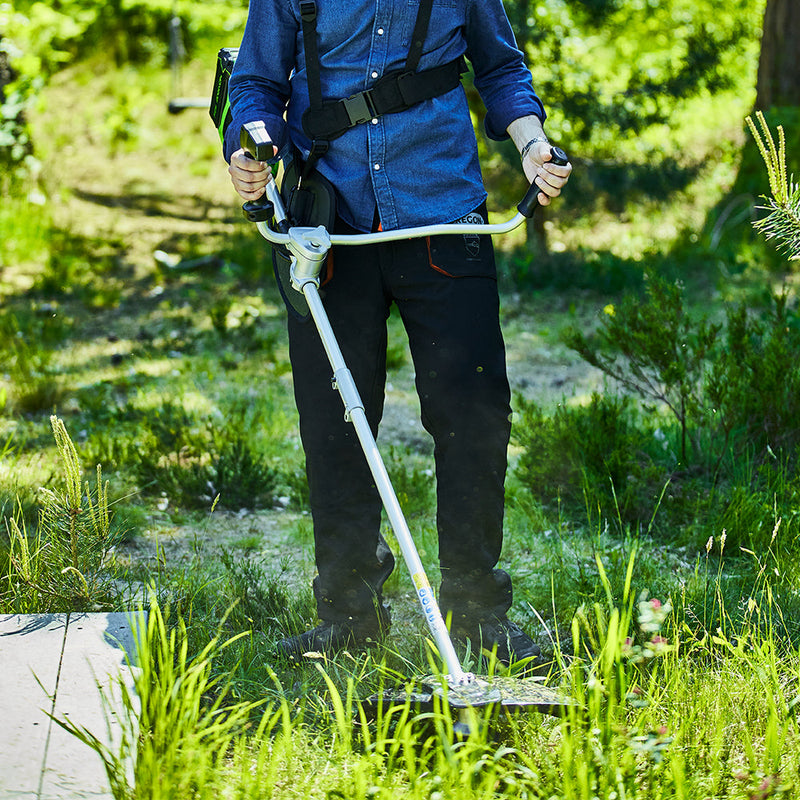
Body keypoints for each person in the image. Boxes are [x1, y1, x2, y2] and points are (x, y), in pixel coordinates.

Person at [224, 0, 571, 665]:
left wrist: (531, 146)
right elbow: (257, 85)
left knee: (473, 416)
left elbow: (501, 70)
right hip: (329, 221)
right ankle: (349, 615)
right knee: (336, 423)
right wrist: (250, 148)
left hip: (443, 210)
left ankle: (476, 612)